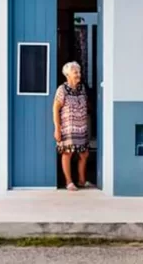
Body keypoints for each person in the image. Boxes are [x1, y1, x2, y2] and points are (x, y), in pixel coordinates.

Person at [53, 61, 91, 191]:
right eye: (75, 72)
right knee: (67, 153)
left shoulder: (81, 88)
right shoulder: (62, 89)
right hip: (68, 128)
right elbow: (55, 109)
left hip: (81, 128)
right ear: (67, 74)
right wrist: (57, 128)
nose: (78, 74)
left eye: (79, 72)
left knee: (84, 154)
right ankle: (69, 182)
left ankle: (81, 180)